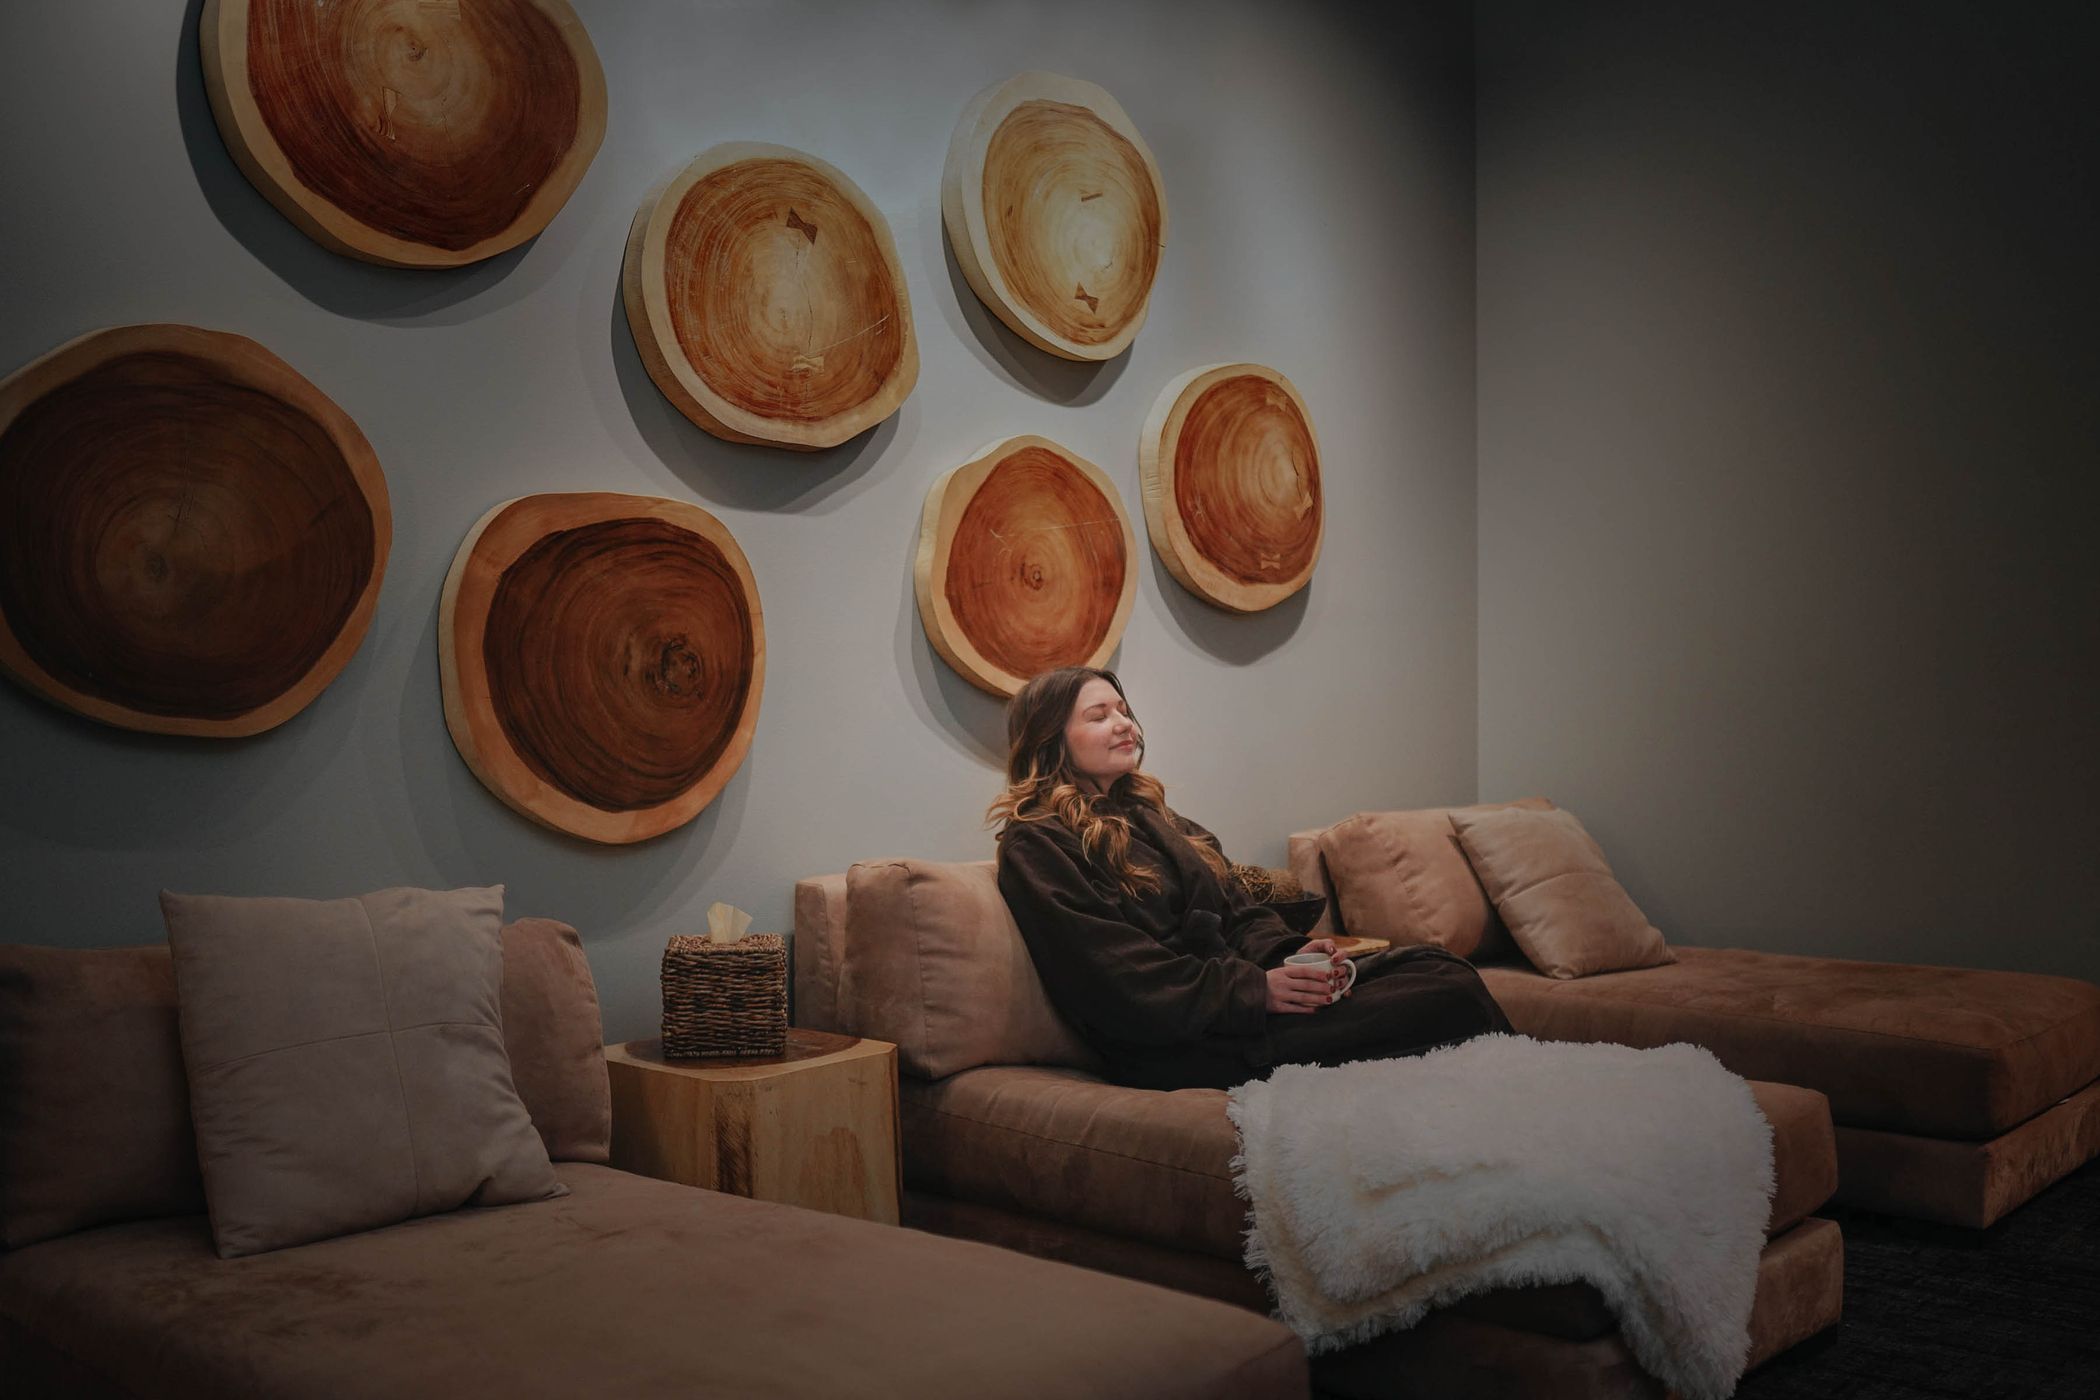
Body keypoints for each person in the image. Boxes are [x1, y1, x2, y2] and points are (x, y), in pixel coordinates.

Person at [992, 665, 1513, 1091]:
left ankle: (1505, 1096)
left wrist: (1298, 958)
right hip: (1182, 1041)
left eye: (1124, 711)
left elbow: (1241, 916)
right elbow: (1113, 976)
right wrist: (1254, 992)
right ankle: (1517, 1100)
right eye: (1099, 716)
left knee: (1441, 968)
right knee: (1448, 1000)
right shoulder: (1036, 843)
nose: (1125, 724)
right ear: (1052, 739)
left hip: (1240, 1007)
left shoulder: (1161, 821)